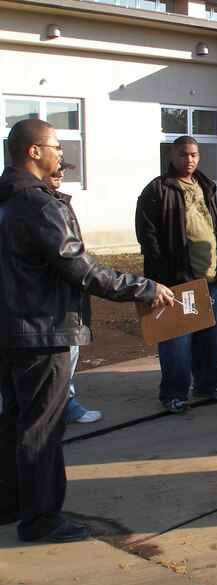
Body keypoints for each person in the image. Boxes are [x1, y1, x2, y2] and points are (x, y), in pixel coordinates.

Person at [0, 118, 173, 543]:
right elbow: (84, 271)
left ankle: (10, 504)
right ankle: (40, 520)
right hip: (44, 333)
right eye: (56, 146)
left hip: (10, 330)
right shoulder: (41, 206)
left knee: (13, 422)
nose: (62, 154)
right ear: (34, 152)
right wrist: (145, 287)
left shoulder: (7, 199)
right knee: (42, 427)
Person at [136, 135, 217, 414]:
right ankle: (174, 394)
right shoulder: (157, 190)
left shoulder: (205, 186)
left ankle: (208, 384)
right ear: (171, 155)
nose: (188, 160)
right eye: (183, 154)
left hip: (210, 279)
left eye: (193, 155)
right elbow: (148, 236)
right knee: (177, 342)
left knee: (213, 339)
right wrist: (163, 274)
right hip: (177, 282)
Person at [42, 161, 103, 424]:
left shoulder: (58, 202)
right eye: (55, 165)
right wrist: (144, 289)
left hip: (65, 300)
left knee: (69, 355)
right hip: (43, 309)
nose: (61, 172)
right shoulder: (41, 207)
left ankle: (66, 403)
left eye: (63, 168)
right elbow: (79, 267)